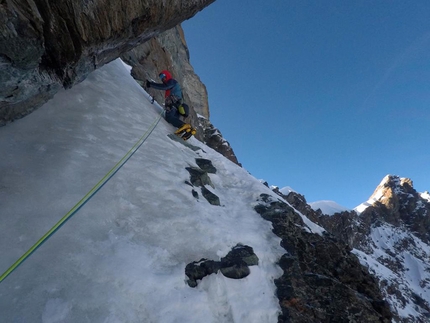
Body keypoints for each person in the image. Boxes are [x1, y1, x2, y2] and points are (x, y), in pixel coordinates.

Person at [146, 70, 196, 139]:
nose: (162, 79)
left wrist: (151, 84)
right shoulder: (174, 85)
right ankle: (188, 130)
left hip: (173, 103)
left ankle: (184, 126)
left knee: (169, 117)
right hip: (177, 105)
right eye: (161, 77)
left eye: (163, 76)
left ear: (167, 75)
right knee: (172, 119)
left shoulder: (171, 81)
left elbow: (164, 87)